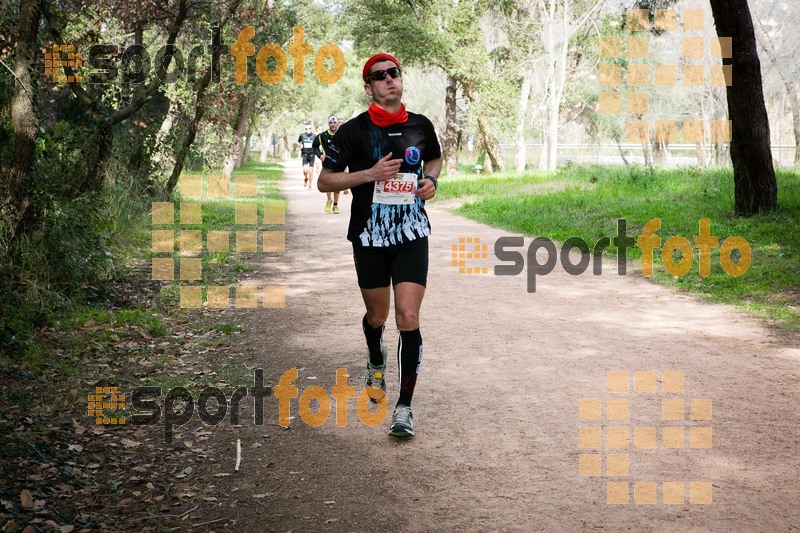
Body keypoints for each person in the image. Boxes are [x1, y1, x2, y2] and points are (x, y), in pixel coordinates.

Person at [318, 53, 441, 438]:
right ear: (368, 86)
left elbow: (435, 160)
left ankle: (404, 408)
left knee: (408, 316)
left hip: (411, 232)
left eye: (394, 73)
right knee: (377, 317)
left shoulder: (421, 125)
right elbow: (324, 181)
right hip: (369, 235)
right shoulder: (352, 132)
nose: (389, 79)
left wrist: (431, 183)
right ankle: (375, 358)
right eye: (379, 76)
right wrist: (368, 174)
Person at [313, 116, 343, 213]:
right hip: (327, 164)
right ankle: (329, 200)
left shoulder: (342, 134)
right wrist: (320, 155)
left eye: (334, 123)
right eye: (331, 123)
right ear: (328, 124)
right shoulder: (323, 136)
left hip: (339, 164)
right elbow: (315, 146)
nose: (333, 125)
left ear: (337, 123)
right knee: (329, 184)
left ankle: (335, 205)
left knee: (338, 185)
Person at [296, 123, 316, 188]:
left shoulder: (314, 136)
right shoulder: (302, 135)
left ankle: (310, 184)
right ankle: (306, 178)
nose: (308, 130)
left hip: (312, 155)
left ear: (311, 128)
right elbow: (297, 142)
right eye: (306, 129)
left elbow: (317, 144)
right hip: (304, 154)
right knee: (305, 170)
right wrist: (300, 145)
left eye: (309, 128)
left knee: (311, 171)